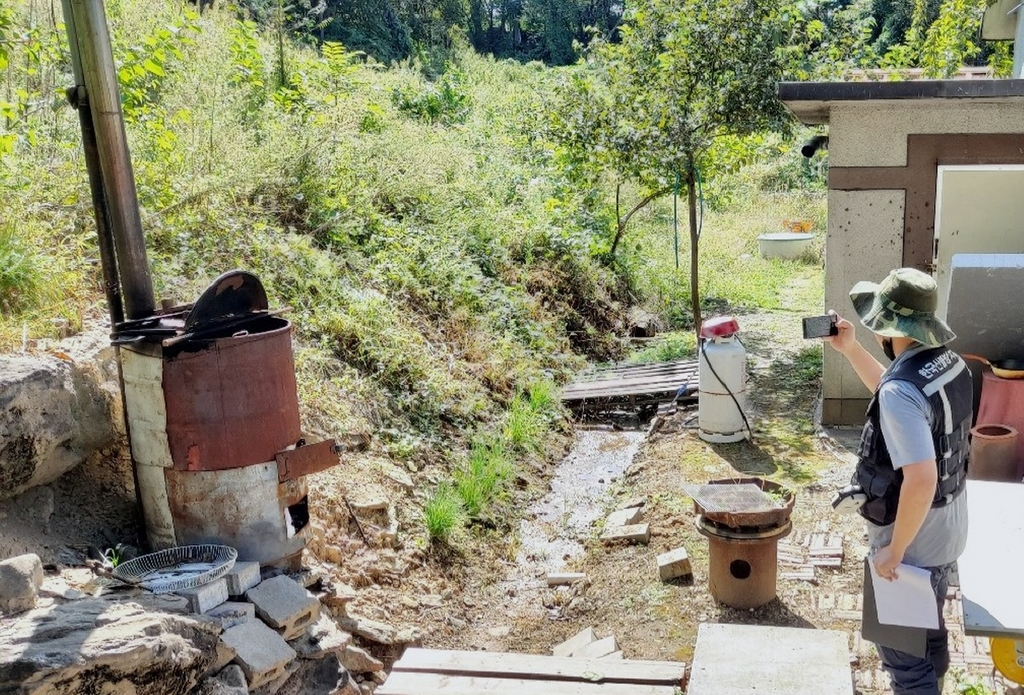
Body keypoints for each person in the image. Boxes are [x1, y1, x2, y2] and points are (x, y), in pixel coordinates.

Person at [826, 267, 972, 695]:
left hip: (914, 548)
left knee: (903, 661)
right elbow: (898, 399)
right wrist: (850, 350)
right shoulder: (949, 363)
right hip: (948, 533)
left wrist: (894, 552)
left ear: (891, 329)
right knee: (929, 633)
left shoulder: (901, 392)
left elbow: (922, 479)